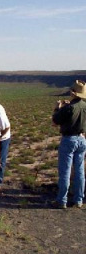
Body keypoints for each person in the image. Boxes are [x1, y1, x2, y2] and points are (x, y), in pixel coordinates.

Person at [52, 80, 86, 209]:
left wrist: (57, 108)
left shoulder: (69, 108)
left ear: (73, 92)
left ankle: (62, 200)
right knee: (79, 171)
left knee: (65, 171)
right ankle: (78, 199)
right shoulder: (84, 106)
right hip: (82, 139)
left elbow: (55, 121)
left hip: (69, 140)